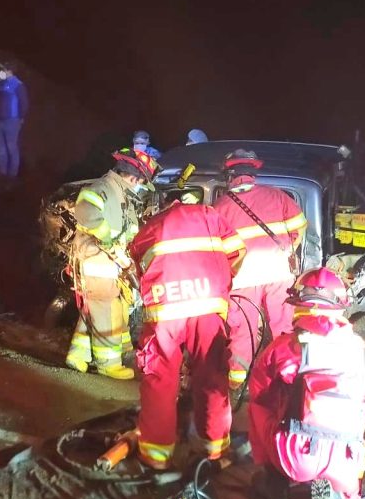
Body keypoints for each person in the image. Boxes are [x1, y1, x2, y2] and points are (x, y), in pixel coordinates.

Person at [247, 267, 365, 499]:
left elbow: (261, 395)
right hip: (346, 457)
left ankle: (274, 479)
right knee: (351, 498)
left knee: (260, 409)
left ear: (298, 305)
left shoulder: (284, 347)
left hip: (295, 455)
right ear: (340, 306)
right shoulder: (363, 351)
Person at [128, 201, 247, 470]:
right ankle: (214, 452)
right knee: (212, 375)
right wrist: (221, 280)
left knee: (159, 378)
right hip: (208, 305)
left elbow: (139, 269)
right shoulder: (209, 216)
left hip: (166, 309)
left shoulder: (151, 225)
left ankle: (155, 457)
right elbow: (238, 250)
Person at [212, 149, 307, 389]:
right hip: (278, 274)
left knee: (243, 328)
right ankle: (287, 376)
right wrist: (287, 249)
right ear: (253, 174)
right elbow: (300, 227)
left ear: (230, 175)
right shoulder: (277, 196)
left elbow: (216, 249)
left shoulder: (220, 206)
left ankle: (237, 380)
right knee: (283, 326)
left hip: (243, 278)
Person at [65, 149, 158, 380]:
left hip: (109, 262)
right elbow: (85, 211)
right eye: (141, 183)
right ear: (134, 178)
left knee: (95, 309)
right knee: (104, 310)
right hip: (97, 261)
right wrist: (108, 238)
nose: (140, 188)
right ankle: (108, 364)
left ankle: (78, 355)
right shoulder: (104, 188)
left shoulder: (120, 192)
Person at [0, 63, 29, 178]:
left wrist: (21, 118)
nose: (0, 72)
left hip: (12, 121)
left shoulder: (18, 85)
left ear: (9, 71)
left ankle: (12, 175)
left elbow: (24, 103)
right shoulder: (1, 83)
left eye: (2, 69)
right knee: (1, 149)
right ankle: (2, 174)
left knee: (11, 148)